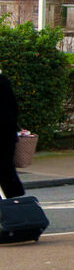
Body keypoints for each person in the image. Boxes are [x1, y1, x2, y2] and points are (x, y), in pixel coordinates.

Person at [0, 70, 25, 199]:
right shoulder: (3, 81)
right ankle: (14, 198)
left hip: (5, 134)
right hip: (7, 135)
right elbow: (13, 108)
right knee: (7, 168)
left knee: (6, 169)